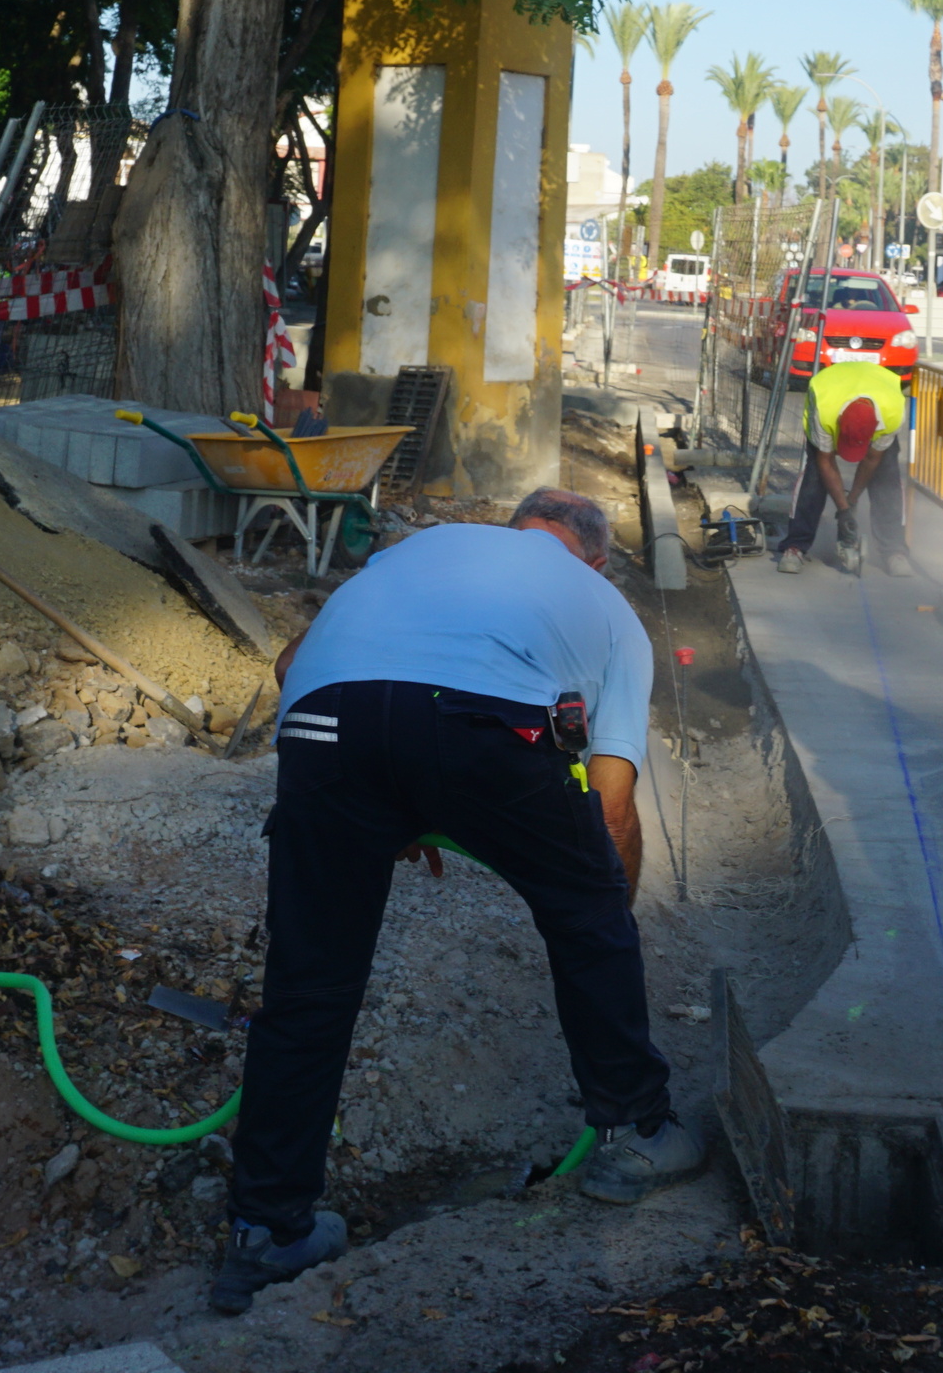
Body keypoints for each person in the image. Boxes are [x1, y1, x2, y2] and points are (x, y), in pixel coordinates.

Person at [211, 489, 704, 1316]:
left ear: (512, 532)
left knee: (309, 984)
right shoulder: (608, 606)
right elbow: (613, 804)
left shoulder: (421, 549)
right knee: (586, 910)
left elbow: (295, 666)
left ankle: (265, 1230)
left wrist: (392, 806)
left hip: (325, 724)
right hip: (484, 720)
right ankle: (637, 1134)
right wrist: (606, 911)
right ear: (596, 557)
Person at [772, 357, 916, 576]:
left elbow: (871, 460)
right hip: (831, 393)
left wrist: (852, 500)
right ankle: (795, 546)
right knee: (813, 475)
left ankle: (894, 550)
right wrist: (843, 510)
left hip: (877, 389)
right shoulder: (825, 406)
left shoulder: (893, 412)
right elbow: (825, 459)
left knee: (887, 475)